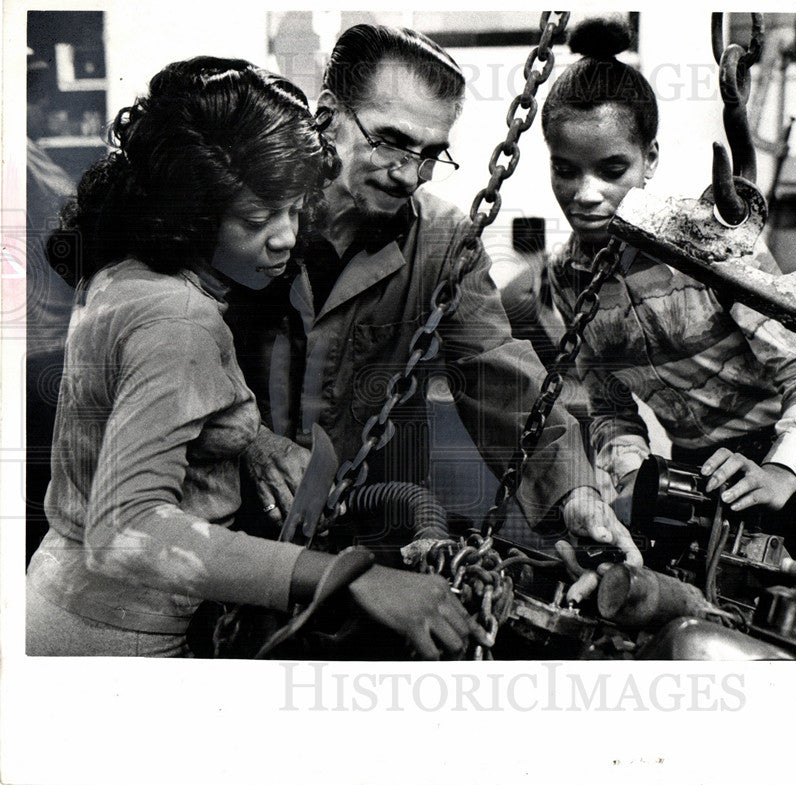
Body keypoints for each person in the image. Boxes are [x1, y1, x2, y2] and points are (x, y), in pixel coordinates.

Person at [26, 56, 487, 659]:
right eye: (256, 217)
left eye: (295, 209)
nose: (287, 237)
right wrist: (353, 576)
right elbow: (124, 532)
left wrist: (245, 438)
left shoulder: (127, 277)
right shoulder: (181, 319)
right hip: (114, 639)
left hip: (62, 606)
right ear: (192, 208)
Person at [244, 24, 641, 569]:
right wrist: (248, 439)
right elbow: (179, 349)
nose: (410, 173)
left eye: (431, 153)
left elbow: (500, 378)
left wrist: (576, 493)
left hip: (366, 536)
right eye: (392, 141)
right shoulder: (247, 213)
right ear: (329, 115)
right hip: (229, 523)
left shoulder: (444, 243)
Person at [539, 19, 796, 600]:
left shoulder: (708, 242)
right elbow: (611, 409)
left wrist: (782, 472)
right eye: (564, 168)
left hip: (787, 464)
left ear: (648, 158)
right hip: (689, 474)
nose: (585, 193)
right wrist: (632, 477)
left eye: (611, 170)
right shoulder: (567, 278)